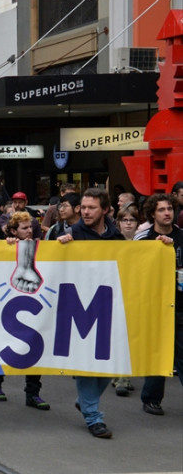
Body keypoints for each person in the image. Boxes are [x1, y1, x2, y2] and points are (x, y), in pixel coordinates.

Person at [56, 187, 122, 438]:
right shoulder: (72, 234)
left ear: (105, 210)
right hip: (78, 307)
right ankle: (94, 417)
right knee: (85, 363)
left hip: (107, 307)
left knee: (110, 363)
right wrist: (60, 246)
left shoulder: (116, 237)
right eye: (82, 207)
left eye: (91, 207)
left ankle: (86, 400)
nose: (85, 212)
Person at [0, 211, 50, 410]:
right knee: (3, 344)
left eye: (30, 227)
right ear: (13, 231)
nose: (29, 231)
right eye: (24, 228)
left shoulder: (40, 247)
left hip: (33, 305)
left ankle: (33, 392)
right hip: (7, 306)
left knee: (35, 348)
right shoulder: (2, 247)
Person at [133, 193, 183, 417]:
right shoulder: (144, 237)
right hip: (155, 305)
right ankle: (151, 399)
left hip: (180, 303)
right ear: (152, 213)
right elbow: (134, 267)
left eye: (170, 209)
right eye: (162, 209)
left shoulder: (181, 236)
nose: (167, 213)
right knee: (158, 352)